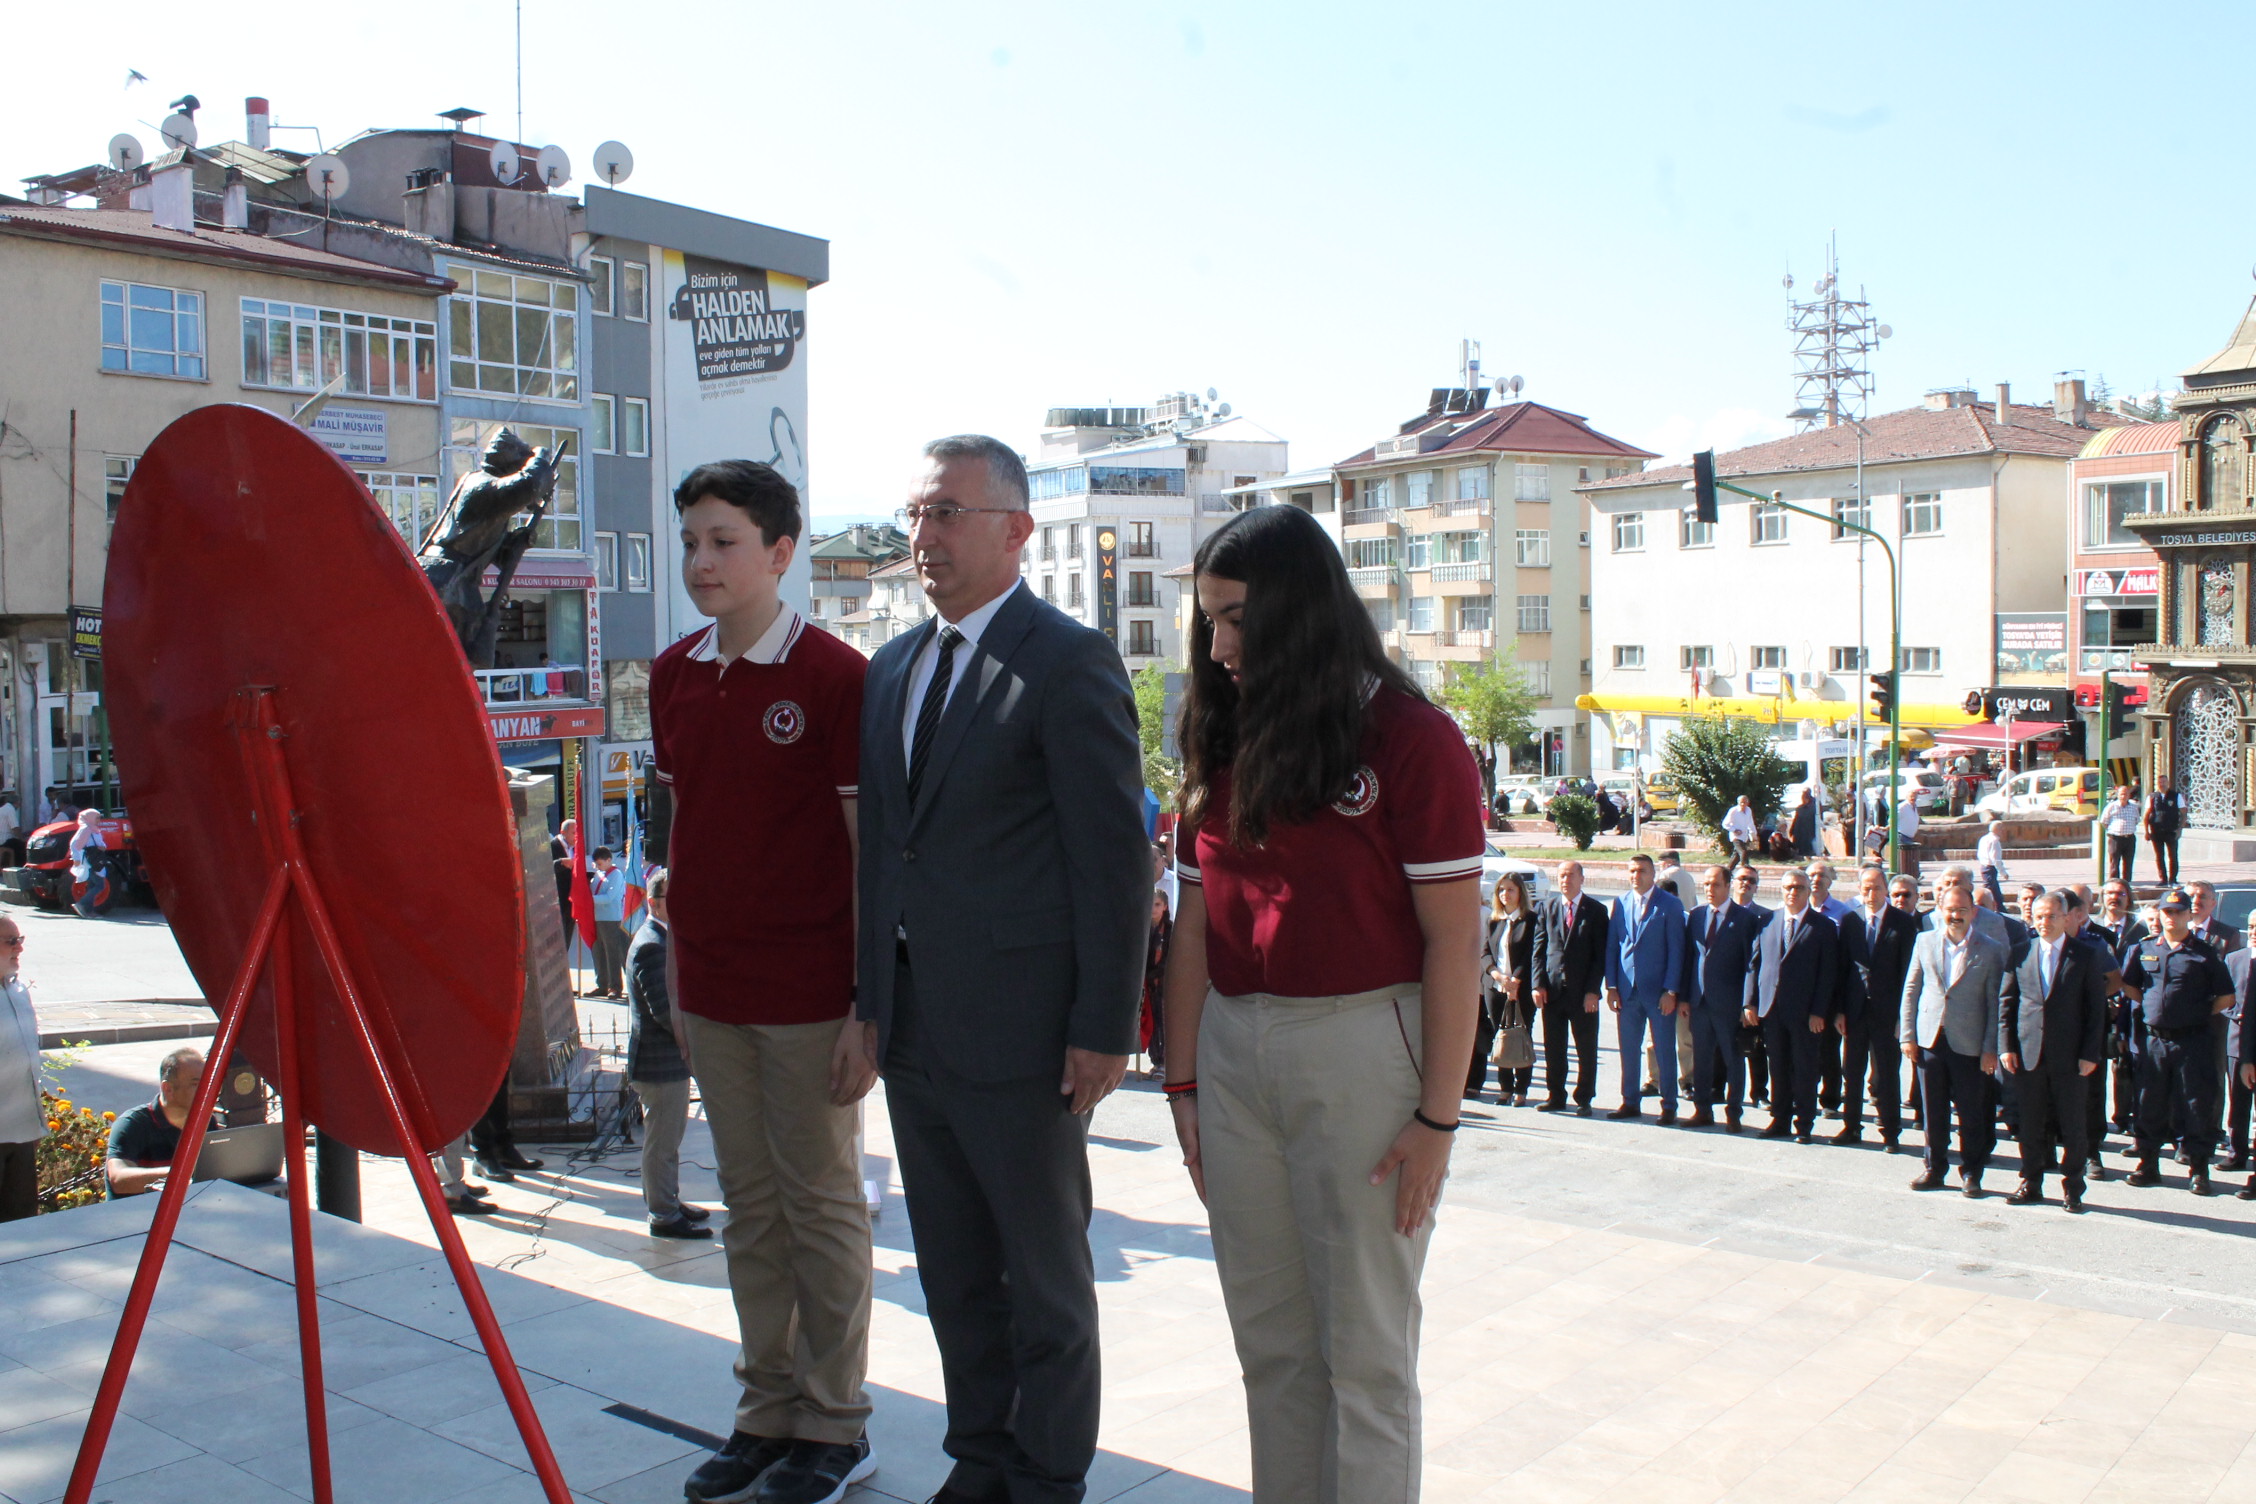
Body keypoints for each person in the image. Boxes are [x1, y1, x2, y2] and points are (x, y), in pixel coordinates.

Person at [1162, 502, 1482, 1504]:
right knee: (1273, 1351)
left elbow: (1455, 942)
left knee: (1368, 1361)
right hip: (1233, 1054)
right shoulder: (1221, 734)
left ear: (1303, 614)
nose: (1216, 650)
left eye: (1239, 621)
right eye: (1208, 621)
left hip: (1361, 1056)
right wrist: (1181, 1082)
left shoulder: (1410, 740)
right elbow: (1190, 929)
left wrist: (1437, 1117)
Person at [862, 435, 1148, 1504]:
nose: (924, 537)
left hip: (1028, 1036)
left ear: (1016, 530)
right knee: (951, 1274)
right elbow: (884, 856)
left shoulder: (1065, 660)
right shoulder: (893, 667)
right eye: (915, 516)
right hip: (916, 1034)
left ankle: (1047, 1475)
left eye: (946, 513)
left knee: (1046, 1282)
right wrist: (867, 1002)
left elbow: (1114, 858)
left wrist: (1105, 1022)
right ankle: (979, 1459)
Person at [656, 459, 879, 1504]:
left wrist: (864, 1005)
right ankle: (766, 1410)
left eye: (724, 541)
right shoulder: (673, 674)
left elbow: (868, 853)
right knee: (748, 1208)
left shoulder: (836, 677)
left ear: (781, 552)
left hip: (811, 996)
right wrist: (687, 982)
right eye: (693, 540)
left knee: (821, 1206)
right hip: (715, 991)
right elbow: (687, 835)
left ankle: (834, 1425)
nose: (702, 560)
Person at [2119, 887, 2236, 1196]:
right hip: (2154, 1043)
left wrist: (2196, 1013)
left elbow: (2226, 996)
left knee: (2196, 1104)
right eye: (2166, 912)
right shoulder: (2144, 949)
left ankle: (2198, 1169)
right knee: (2149, 1103)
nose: (2171, 917)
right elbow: (2129, 986)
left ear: (2188, 915)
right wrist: (2150, 1008)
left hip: (2192, 1042)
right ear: (2159, 914)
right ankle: (2148, 1165)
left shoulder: (2204, 952)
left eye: (2178, 912)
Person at [1999, 892, 2109, 1212]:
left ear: (2065, 918)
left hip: (2071, 1057)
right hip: (2029, 1053)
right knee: (2031, 1123)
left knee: (2072, 1124)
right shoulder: (2020, 952)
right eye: (2038, 916)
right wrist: (2006, 1046)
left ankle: (2073, 1187)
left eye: (2050, 916)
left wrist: (2091, 1054)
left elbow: (2095, 1011)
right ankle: (2030, 1181)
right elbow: (2007, 1003)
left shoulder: (2085, 956)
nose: (2043, 923)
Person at [1901, 886, 2008, 1197]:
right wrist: (1908, 1036)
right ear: (1940, 910)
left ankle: (1972, 1172)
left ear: (1973, 912)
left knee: (1971, 1112)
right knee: (1933, 1111)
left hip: (1970, 1043)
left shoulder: (1989, 949)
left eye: (1962, 910)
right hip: (1930, 1039)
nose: (1955, 915)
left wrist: (1991, 1048)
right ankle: (1934, 1168)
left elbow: (1994, 1003)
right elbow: (1911, 990)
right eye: (1950, 909)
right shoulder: (1924, 941)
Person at [626, 872, 710, 1240]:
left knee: (670, 1140)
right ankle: (662, 1215)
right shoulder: (651, 946)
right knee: (661, 1143)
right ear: (654, 902)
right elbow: (665, 1011)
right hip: (658, 1064)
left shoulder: (662, 940)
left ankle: (669, 1201)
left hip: (666, 1062)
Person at [1744, 867, 1838, 1143]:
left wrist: (1819, 1011)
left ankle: (1804, 1123)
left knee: (1805, 1068)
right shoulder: (1767, 920)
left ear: (1809, 891)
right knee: (1779, 1067)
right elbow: (1755, 964)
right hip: (1771, 1010)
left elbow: (1828, 973)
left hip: (1806, 1013)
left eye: (1799, 888)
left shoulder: (1823, 926)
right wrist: (1749, 1003)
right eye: (1788, 888)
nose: (1792, 892)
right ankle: (1780, 1119)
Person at [1838, 862, 1918, 1151]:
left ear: (1886, 890)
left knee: (1886, 1073)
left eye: (1876, 888)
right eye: (1865, 888)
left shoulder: (1903, 923)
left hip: (1888, 1012)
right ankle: (1851, 1126)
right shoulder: (1851, 921)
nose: (1871, 893)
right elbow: (1842, 968)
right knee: (1853, 1070)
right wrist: (1839, 1011)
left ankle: (1891, 1131)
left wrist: (1904, 1017)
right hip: (1855, 1010)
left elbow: (1909, 972)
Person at [1604, 853, 1686, 1123]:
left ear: (1653, 875)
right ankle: (1630, 1102)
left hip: (1659, 992)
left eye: (1641, 871)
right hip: (1627, 991)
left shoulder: (1670, 905)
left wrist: (1671, 990)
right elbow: (1614, 946)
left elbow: (1677, 950)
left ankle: (1669, 1105)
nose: (1635, 876)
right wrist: (1612, 986)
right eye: (1631, 871)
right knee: (1628, 1049)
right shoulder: (1621, 902)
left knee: (1664, 1049)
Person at [1679, 864, 1760, 1131]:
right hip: (1699, 1002)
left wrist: (1748, 1003)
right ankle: (1702, 1109)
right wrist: (1683, 997)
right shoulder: (1697, 915)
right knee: (1701, 1059)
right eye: (1706, 885)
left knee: (1733, 1059)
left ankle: (1734, 1113)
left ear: (1728, 886)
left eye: (1715, 885)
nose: (1710, 890)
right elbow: (1690, 958)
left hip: (1730, 1004)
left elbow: (1751, 965)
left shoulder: (1745, 920)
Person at [1531, 859, 1608, 1115]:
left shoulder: (1595, 911)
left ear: (1581, 878)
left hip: (1583, 993)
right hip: (1553, 991)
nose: (1566, 880)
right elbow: (1539, 949)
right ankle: (1556, 1094)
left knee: (1586, 1048)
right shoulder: (1547, 907)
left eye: (1571, 875)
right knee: (1555, 1046)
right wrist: (1537, 984)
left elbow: (1600, 956)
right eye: (1562, 875)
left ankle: (1584, 1098)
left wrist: (1593, 991)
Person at [105, 1047, 213, 1198]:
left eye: (208, 1083)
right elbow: (119, 1180)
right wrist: (184, 1172)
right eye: (196, 1084)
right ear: (167, 1088)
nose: (207, 1090)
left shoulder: (207, 1122)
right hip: (136, 1217)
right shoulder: (133, 1124)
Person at [1485, 873, 1538, 1106]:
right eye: (1501, 890)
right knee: (1501, 1036)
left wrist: (1515, 981)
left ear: (1520, 893)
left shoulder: (1531, 920)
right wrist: (1496, 974)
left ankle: (1522, 1089)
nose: (1505, 894)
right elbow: (1486, 952)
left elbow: (1532, 955)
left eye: (1511, 890)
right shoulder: (1494, 920)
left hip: (1521, 989)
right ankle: (1504, 1088)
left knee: (1522, 1035)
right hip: (1496, 987)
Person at [0, 917, 37, 1221]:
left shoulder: (19, 991)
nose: (19, 948)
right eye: (10, 941)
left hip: (22, 1132)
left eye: (19, 939)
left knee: (21, 1221)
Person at [1731, 865, 1774, 1108]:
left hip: (1755, 992)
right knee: (1722, 1045)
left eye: (1752, 880)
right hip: (1726, 989)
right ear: (1733, 882)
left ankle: (1759, 1093)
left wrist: (1752, 998)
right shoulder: (1722, 911)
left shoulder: (1766, 917)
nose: (1746, 883)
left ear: (1757, 886)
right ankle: (1720, 1089)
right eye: (1742, 879)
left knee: (1756, 1046)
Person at [588, 846, 628, 999]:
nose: (598, 867)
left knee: (612, 953)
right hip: (597, 917)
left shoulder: (616, 875)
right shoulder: (599, 874)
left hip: (611, 918)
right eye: (596, 864)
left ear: (609, 860)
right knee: (599, 952)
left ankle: (615, 986)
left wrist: (588, 900)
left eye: (600, 863)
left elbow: (609, 897)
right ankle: (602, 984)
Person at [1140, 885, 1172, 1082]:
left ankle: (1164, 1063)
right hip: (1148, 983)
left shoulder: (1170, 930)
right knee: (1150, 1023)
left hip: (1164, 983)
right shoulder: (1143, 928)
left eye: (1158, 904)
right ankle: (1156, 1060)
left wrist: (1156, 974)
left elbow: (1170, 959)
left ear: (1165, 907)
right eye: (1151, 904)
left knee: (1163, 1023)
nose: (1153, 908)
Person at [69, 808, 109, 918]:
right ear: (90, 818)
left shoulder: (93, 829)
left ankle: (89, 911)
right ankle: (81, 904)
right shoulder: (86, 829)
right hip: (90, 862)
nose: (99, 820)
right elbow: (74, 844)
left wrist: (103, 847)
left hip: (94, 860)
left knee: (92, 886)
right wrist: (76, 859)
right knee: (100, 885)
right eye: (97, 818)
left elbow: (100, 843)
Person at [2146, 775, 2182, 886]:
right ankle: (2163, 879)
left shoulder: (2176, 796)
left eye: (2164, 781)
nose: (2162, 784)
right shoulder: (2152, 797)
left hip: (2171, 830)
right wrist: (2146, 831)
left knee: (2173, 855)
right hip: (2156, 831)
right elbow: (2146, 814)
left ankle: (2173, 879)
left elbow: (2183, 812)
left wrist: (2179, 829)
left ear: (2168, 782)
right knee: (2159, 856)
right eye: (2160, 782)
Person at [2101, 785, 2140, 885]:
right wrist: (2113, 830)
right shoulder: (2111, 806)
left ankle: (2126, 883)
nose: (2124, 796)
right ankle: (2114, 882)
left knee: (2128, 861)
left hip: (2129, 838)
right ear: (2118, 795)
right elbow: (2104, 822)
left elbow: (2136, 820)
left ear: (2129, 795)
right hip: (2115, 838)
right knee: (2114, 862)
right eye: (2122, 794)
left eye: (2126, 794)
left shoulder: (2134, 807)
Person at [551, 817, 577, 941]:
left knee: (567, 937)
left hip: (570, 901)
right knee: (557, 940)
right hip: (556, 901)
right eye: (573, 833)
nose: (576, 836)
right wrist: (561, 862)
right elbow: (543, 868)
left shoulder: (575, 848)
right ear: (563, 832)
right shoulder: (553, 845)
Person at [1974, 816, 2006, 908]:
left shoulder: (1984, 838)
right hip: (1990, 867)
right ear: (1997, 829)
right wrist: (2003, 872)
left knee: (1994, 891)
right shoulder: (1994, 841)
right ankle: (1994, 908)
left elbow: (1979, 853)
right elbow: (1996, 858)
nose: (2003, 832)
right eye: (2002, 829)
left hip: (1984, 866)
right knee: (1991, 891)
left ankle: (1999, 908)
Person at [1722, 796, 1759, 865]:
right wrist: (1734, 830)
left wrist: (1753, 835)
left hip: (1744, 837)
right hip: (1736, 837)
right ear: (1738, 802)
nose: (1742, 804)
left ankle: (1728, 871)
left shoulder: (1748, 810)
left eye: (1744, 802)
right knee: (1743, 852)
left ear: (1747, 803)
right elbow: (1725, 824)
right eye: (1741, 802)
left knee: (1736, 857)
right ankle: (1746, 869)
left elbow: (1750, 823)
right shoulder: (1733, 810)